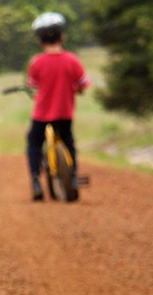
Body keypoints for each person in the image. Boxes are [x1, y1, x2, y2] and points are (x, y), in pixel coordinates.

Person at [26, 12, 90, 201]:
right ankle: (72, 175)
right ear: (62, 36)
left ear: (40, 41)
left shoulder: (36, 62)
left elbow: (32, 84)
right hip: (64, 113)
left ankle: (36, 180)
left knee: (34, 142)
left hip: (42, 114)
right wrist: (77, 89)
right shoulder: (72, 60)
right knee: (68, 141)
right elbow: (83, 84)